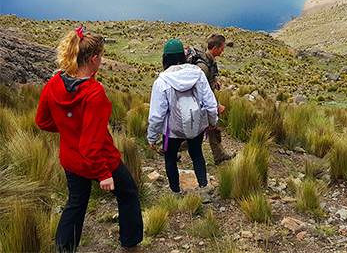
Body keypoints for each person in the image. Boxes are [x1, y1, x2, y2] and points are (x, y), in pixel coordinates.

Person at [35, 27, 143, 253]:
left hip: (71, 159)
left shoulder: (54, 83)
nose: (101, 61)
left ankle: (64, 249)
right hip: (101, 161)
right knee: (129, 194)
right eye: (101, 56)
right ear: (93, 58)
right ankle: (130, 243)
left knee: (75, 202)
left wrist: (69, 129)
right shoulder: (94, 94)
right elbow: (90, 145)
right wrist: (103, 174)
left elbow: (42, 121)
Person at [147, 39, 218, 197]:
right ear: (183, 56)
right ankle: (204, 188)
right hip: (197, 125)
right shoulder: (197, 73)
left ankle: (175, 192)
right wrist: (212, 121)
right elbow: (210, 102)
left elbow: (157, 116)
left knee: (170, 159)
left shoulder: (162, 81)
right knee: (197, 153)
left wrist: (152, 137)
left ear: (165, 58)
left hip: (172, 131)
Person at [194, 34, 235, 165]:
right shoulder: (203, 67)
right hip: (202, 105)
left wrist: (215, 81)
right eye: (222, 48)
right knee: (195, 134)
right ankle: (169, 148)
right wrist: (216, 106)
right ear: (215, 48)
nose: (223, 51)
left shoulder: (210, 60)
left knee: (212, 129)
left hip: (207, 103)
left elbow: (210, 78)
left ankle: (219, 156)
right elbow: (201, 92)